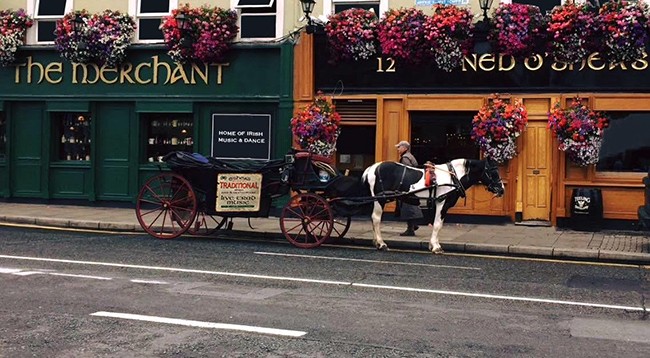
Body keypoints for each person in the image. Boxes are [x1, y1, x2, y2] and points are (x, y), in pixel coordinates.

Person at [395, 140, 423, 236]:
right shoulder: (410, 156)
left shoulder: (406, 158)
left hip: (407, 186)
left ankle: (410, 229)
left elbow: (406, 172)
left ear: (405, 148)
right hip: (412, 185)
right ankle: (413, 225)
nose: (398, 149)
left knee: (407, 206)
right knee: (410, 205)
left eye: (399, 147)